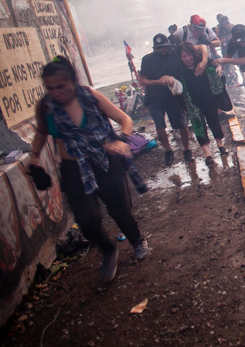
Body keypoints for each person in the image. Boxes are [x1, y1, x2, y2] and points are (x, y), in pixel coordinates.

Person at [29, 57, 150, 283]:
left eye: (61, 86)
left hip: (105, 161)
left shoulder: (90, 97)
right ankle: (108, 249)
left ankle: (137, 240)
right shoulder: (46, 106)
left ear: (73, 81)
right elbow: (41, 133)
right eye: (50, 88)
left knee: (120, 210)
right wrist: (34, 157)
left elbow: (124, 118)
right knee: (87, 220)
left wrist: (122, 139)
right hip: (73, 169)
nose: (56, 92)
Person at [138, 33, 193, 165]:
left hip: (173, 96)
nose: (163, 51)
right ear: (154, 48)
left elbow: (196, 50)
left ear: (169, 46)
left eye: (164, 47)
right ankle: (168, 150)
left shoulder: (175, 55)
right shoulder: (147, 60)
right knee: (160, 125)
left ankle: (187, 150)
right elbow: (142, 80)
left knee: (182, 124)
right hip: (154, 97)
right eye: (159, 48)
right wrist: (159, 81)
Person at [176, 42, 229, 166]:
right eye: (184, 56)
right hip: (192, 103)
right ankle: (208, 154)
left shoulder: (203, 61)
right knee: (198, 127)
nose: (187, 59)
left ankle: (220, 145)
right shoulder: (179, 70)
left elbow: (215, 63)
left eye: (189, 55)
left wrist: (218, 68)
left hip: (209, 99)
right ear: (180, 58)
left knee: (214, 122)